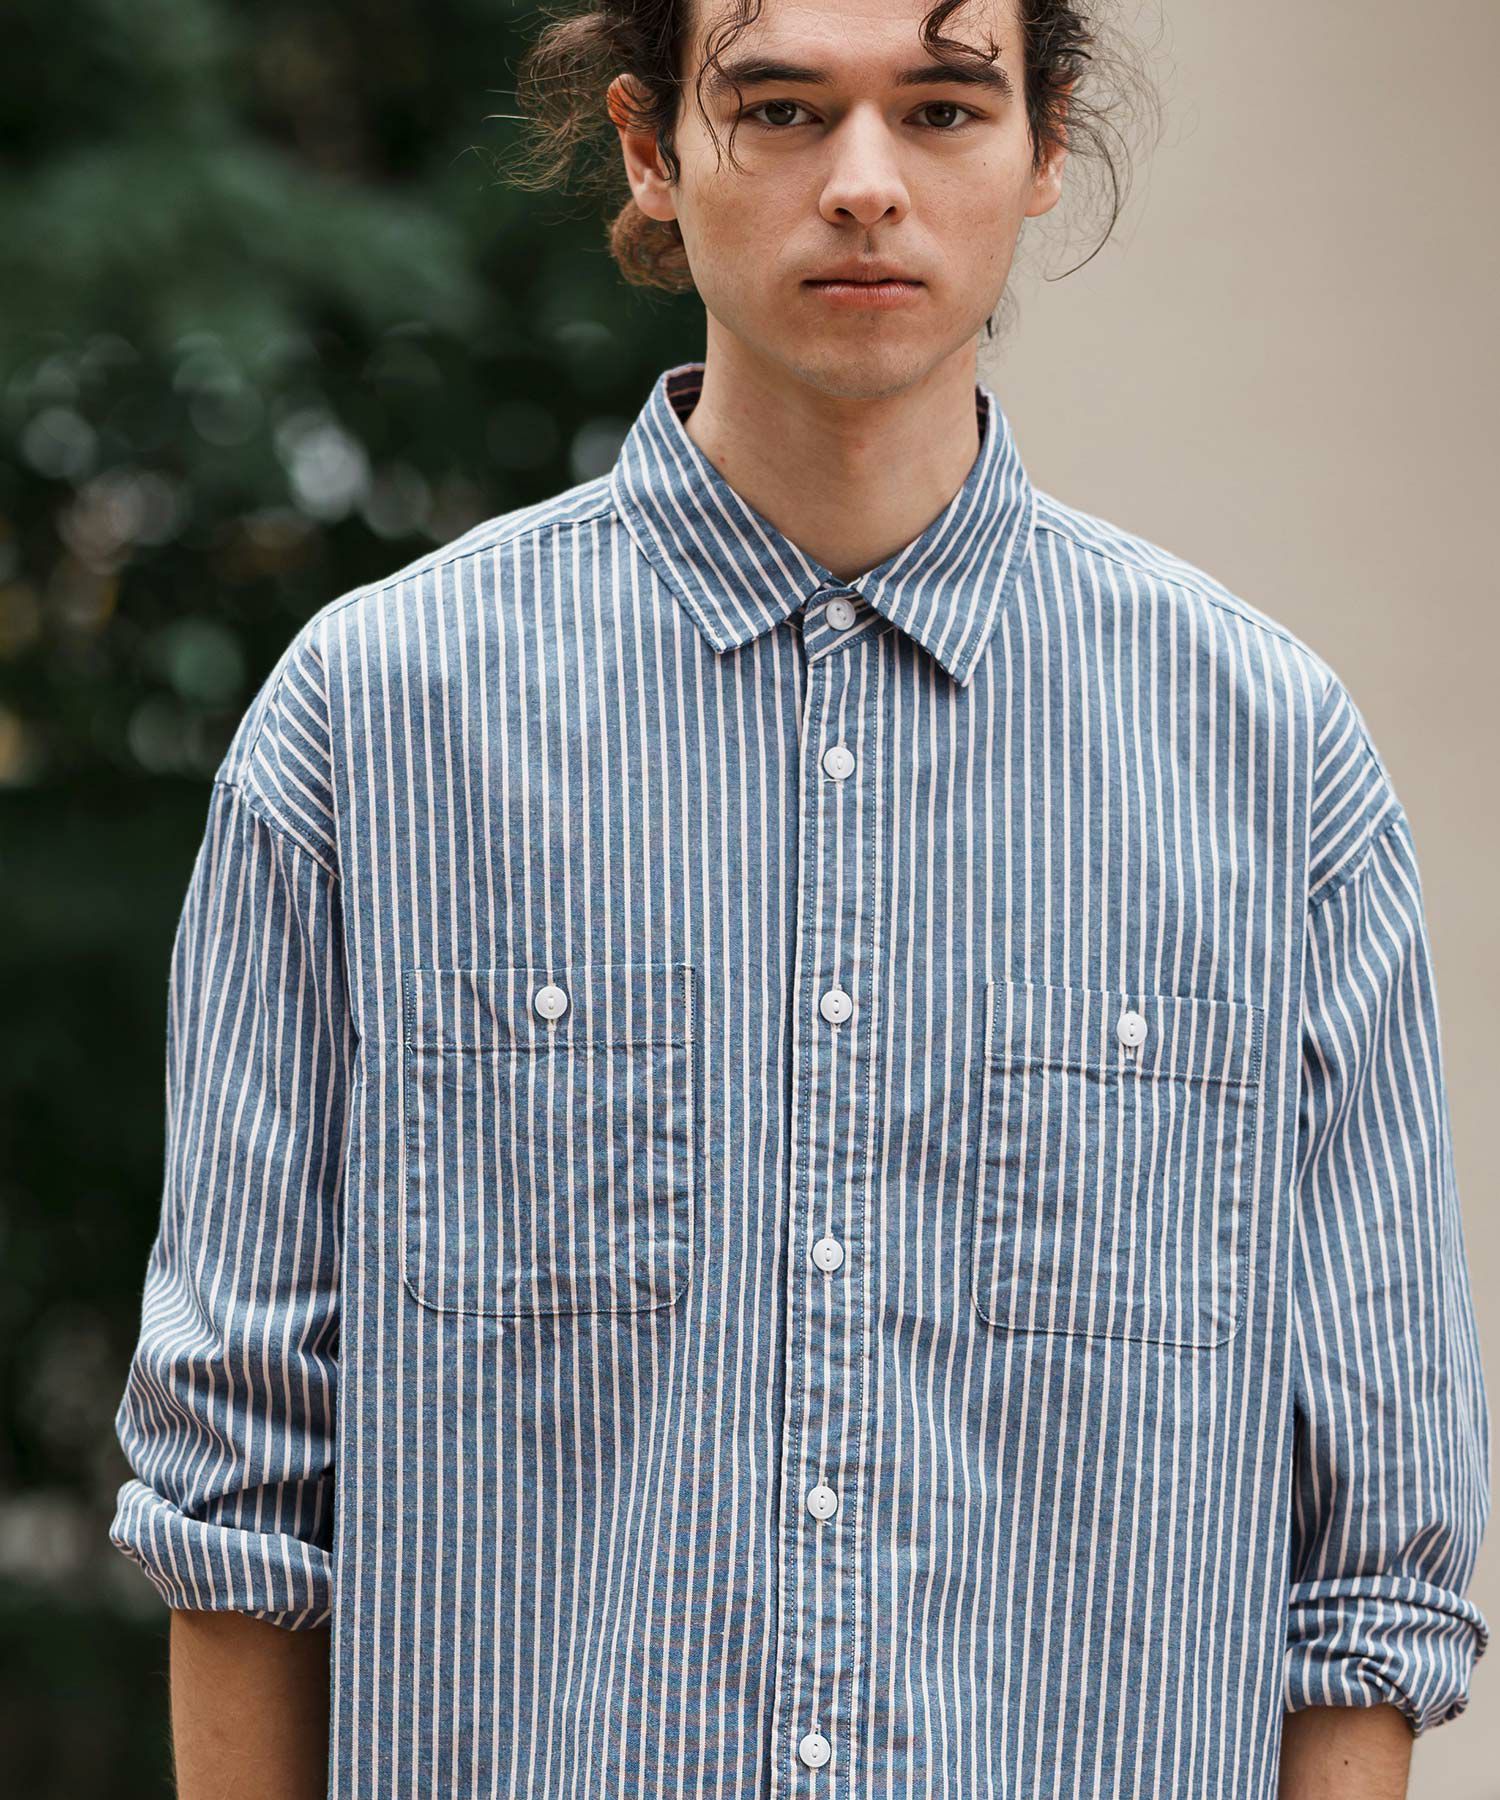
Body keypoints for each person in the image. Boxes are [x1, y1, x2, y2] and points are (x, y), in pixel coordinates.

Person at [107, 1, 1491, 1795]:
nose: (863, 184)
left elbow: (1368, 1556)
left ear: (1046, 143)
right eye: (778, 109)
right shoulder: (373, 734)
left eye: (942, 108)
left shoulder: (1272, 768)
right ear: (648, 148)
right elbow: (236, 1489)